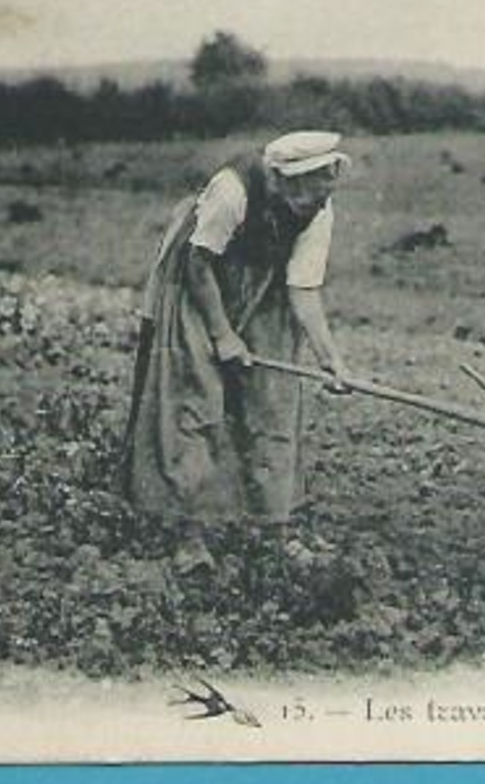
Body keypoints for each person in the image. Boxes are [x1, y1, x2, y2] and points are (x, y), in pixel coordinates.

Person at [120, 130, 356, 557]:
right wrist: (223, 334)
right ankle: (189, 534)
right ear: (286, 180)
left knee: (273, 398)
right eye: (307, 197)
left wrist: (330, 359)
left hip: (263, 284)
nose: (314, 207)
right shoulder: (232, 190)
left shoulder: (317, 207)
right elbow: (198, 262)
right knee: (195, 397)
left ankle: (273, 530)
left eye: (323, 195)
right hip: (199, 280)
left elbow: (303, 288)